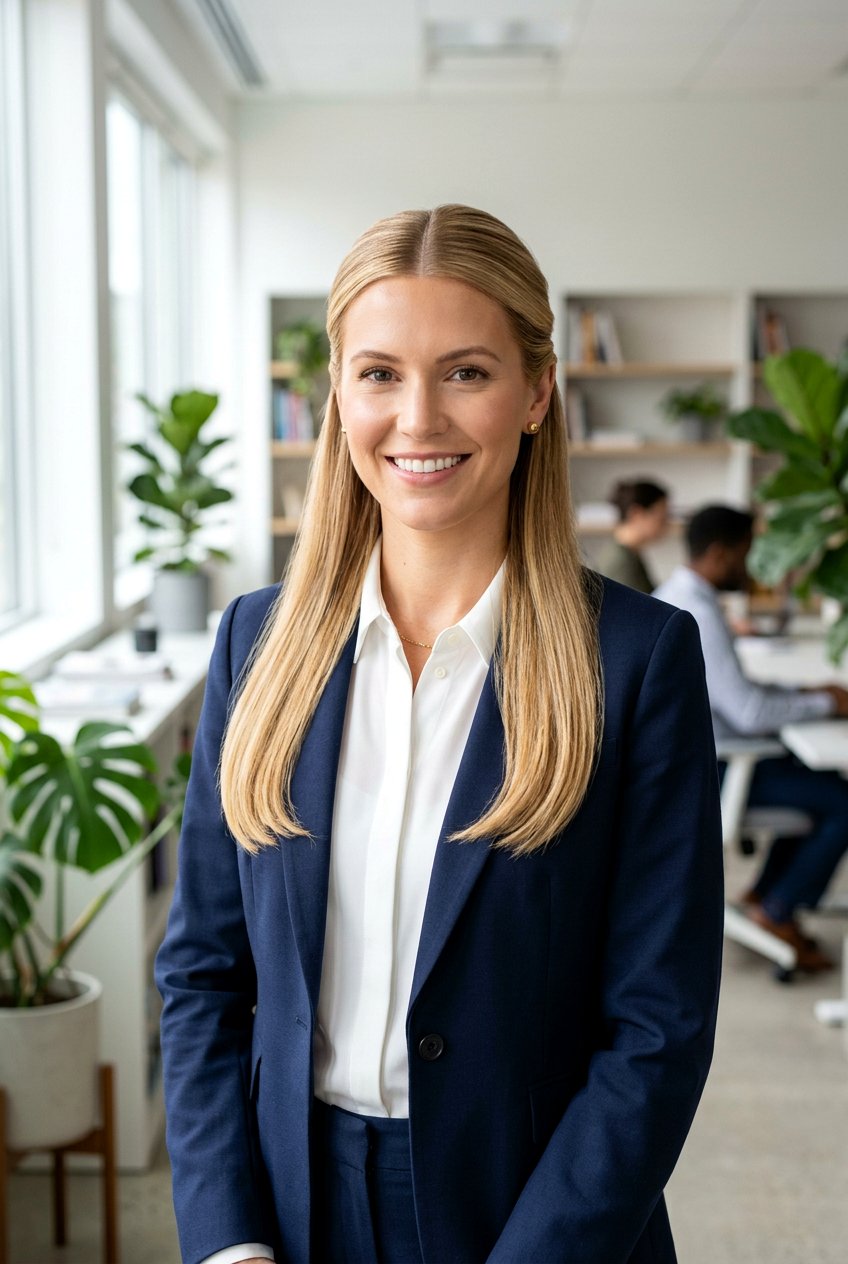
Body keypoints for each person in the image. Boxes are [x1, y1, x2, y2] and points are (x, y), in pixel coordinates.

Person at [156, 205, 724, 1264]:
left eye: (464, 371)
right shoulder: (255, 641)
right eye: (377, 373)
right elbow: (201, 976)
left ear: (535, 393)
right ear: (337, 392)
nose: (416, 418)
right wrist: (227, 1244)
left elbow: (656, 1027)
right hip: (293, 1207)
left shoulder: (636, 660)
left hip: (539, 1217)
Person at [654, 505, 848, 972]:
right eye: (747, 553)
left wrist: (805, 693)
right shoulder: (694, 614)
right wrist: (826, 703)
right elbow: (747, 710)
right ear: (721, 554)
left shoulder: (680, 597)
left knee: (815, 778)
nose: (754, 566)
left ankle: (767, 893)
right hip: (716, 771)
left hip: (705, 759)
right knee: (842, 799)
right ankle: (778, 908)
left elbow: (736, 695)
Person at [596, 479, 669, 593]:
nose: (665, 524)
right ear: (636, 513)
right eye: (661, 517)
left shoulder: (631, 553)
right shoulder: (621, 561)